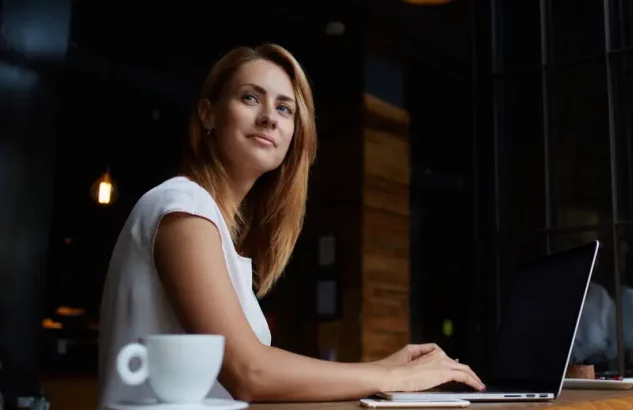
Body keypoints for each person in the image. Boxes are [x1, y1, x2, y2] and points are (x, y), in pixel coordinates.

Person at [97, 43, 484, 407]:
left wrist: (388, 369)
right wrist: (390, 376)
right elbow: (249, 372)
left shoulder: (211, 225)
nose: (269, 117)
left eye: (285, 108)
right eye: (250, 97)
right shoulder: (182, 206)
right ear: (208, 114)